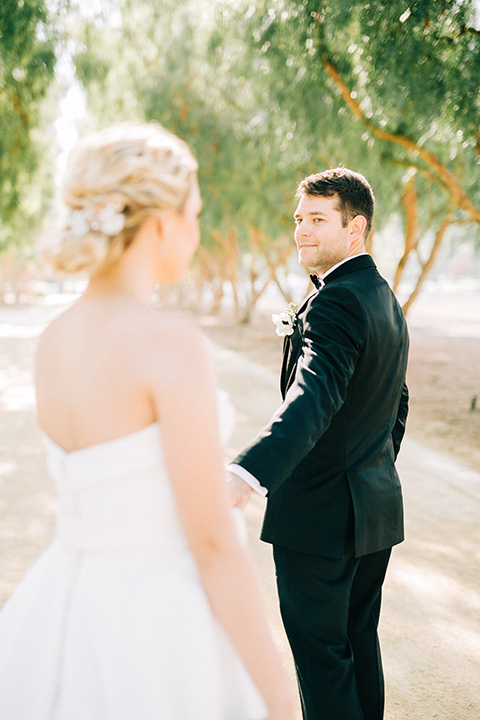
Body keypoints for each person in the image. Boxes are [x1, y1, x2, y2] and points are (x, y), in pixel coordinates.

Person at [0, 122, 297, 720]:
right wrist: (284, 707)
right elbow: (212, 544)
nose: (196, 230)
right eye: (194, 213)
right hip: (155, 621)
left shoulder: (55, 339)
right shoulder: (167, 344)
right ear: (161, 222)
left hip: (65, 609)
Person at [227, 168, 409, 720]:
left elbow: (314, 395)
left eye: (318, 219)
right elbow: (396, 404)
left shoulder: (336, 302)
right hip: (371, 512)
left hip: (320, 519)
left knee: (323, 662)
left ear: (355, 229)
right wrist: (368, 469)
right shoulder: (381, 297)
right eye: (299, 219)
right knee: (356, 647)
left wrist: (249, 472)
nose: (302, 230)